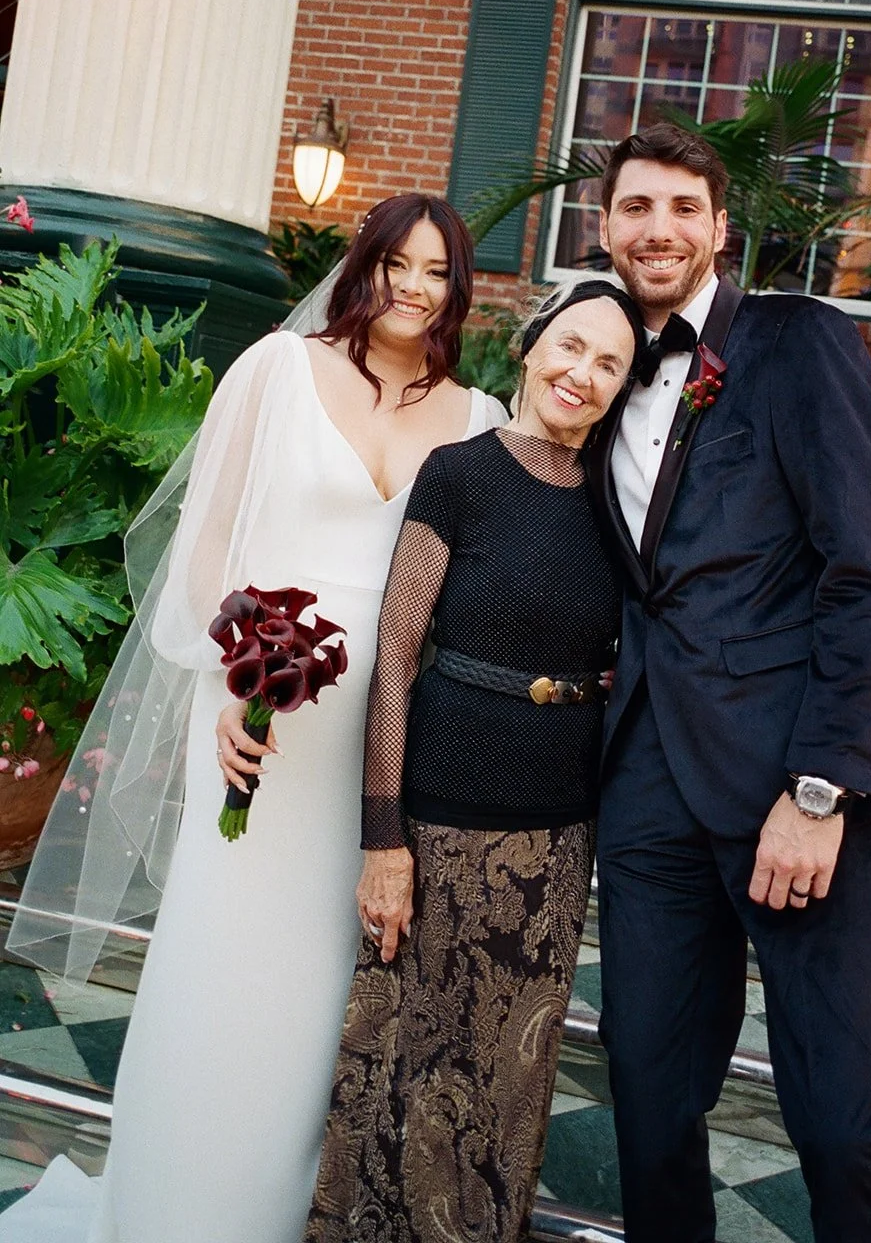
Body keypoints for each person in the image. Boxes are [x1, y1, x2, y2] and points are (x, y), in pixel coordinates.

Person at [0, 195, 508, 1243]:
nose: (413, 289)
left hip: (380, 748)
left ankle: (278, 1217)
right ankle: (172, 1210)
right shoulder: (274, 372)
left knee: (324, 984)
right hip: (257, 719)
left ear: (460, 289)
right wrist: (237, 679)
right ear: (361, 264)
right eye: (395, 265)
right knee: (225, 962)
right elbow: (203, 547)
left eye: (437, 272)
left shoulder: (481, 419)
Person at [583, 120, 871, 1243]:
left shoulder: (796, 341)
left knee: (834, 1116)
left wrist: (822, 786)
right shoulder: (582, 366)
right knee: (643, 1092)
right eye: (636, 207)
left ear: (719, 231)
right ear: (603, 227)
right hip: (644, 779)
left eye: (683, 209)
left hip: (795, 781)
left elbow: (867, 565)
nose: (658, 229)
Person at [302, 280, 645, 1243]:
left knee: (509, 1080)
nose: (582, 374)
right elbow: (396, 653)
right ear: (533, 345)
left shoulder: (623, 508)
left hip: (555, 835)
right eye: (570, 347)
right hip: (441, 820)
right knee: (402, 1068)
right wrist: (384, 839)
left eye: (609, 364)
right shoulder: (458, 474)